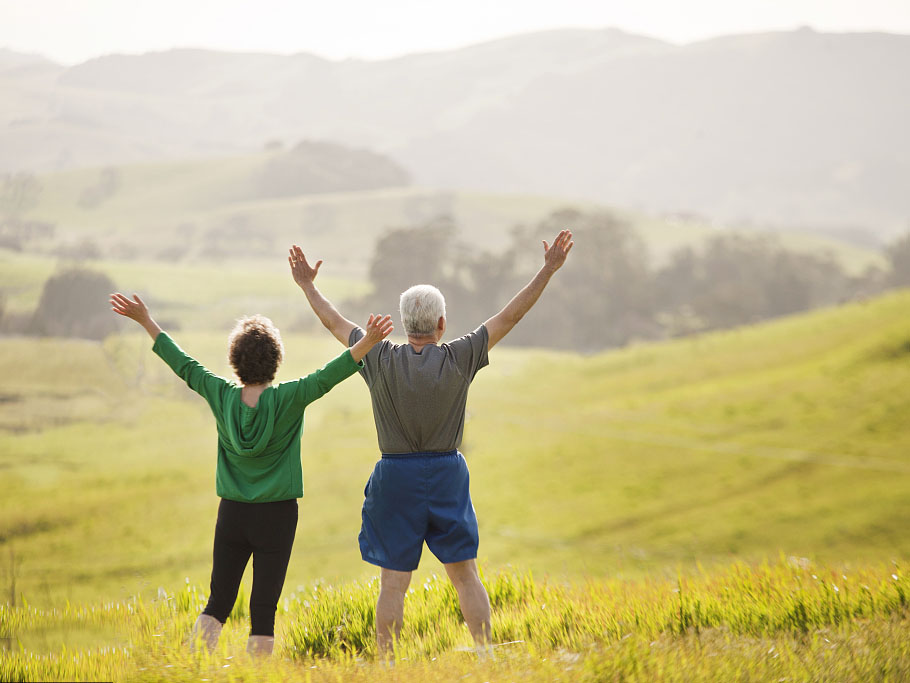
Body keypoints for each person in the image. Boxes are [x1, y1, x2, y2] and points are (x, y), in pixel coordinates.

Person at [288, 229, 573, 657]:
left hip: (394, 476)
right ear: (441, 324)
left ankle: (388, 666)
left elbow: (332, 321)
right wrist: (547, 269)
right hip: (447, 474)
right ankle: (484, 657)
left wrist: (308, 284)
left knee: (393, 583)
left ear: (406, 324)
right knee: (465, 575)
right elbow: (509, 316)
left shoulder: (377, 355)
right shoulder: (460, 356)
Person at [109, 292, 393, 656]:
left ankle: (191, 670)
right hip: (277, 514)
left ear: (234, 361)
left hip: (232, 514)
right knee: (263, 614)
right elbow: (328, 376)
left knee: (217, 604)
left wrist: (147, 321)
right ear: (275, 361)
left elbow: (185, 366)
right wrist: (368, 341)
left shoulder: (221, 395)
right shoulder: (289, 397)